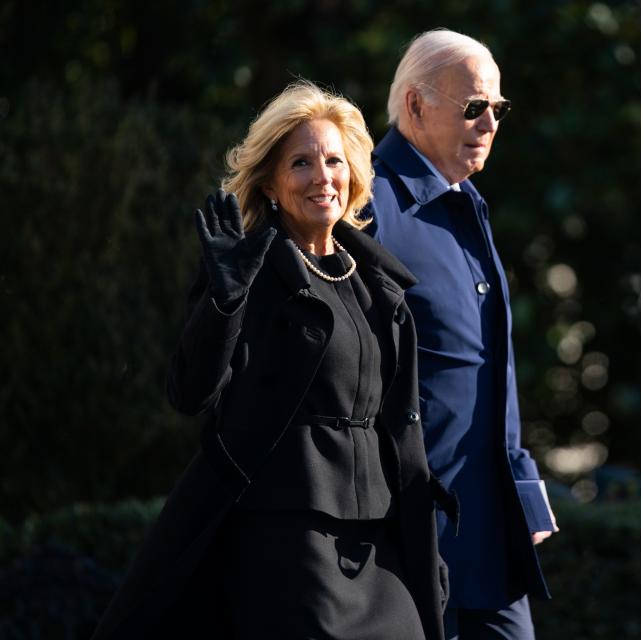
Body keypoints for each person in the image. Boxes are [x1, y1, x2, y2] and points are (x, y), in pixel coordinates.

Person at [92, 80, 451, 640]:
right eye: (300, 163)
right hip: (287, 532)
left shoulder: (379, 286)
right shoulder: (246, 271)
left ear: (353, 173)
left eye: (333, 160)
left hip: (379, 540)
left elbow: (398, 423)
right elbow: (191, 394)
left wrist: (422, 537)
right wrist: (224, 301)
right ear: (272, 184)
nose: (321, 176)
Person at [364, 29, 557, 640]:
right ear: (416, 105)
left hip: (491, 536)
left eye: (499, 109)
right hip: (406, 542)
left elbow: (488, 364)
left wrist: (523, 482)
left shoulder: (466, 201)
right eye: (474, 107)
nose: (491, 122)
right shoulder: (366, 202)